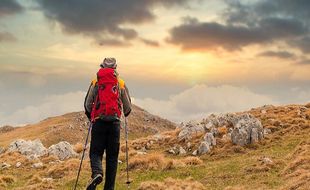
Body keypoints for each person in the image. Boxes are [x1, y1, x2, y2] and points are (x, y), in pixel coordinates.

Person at [84, 58, 132, 190]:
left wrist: (92, 118)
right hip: (114, 125)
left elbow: (87, 104)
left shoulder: (95, 82)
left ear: (101, 67)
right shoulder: (120, 83)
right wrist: (123, 113)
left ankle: (97, 173)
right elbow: (128, 108)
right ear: (115, 68)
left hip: (99, 122)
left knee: (95, 153)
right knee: (112, 158)